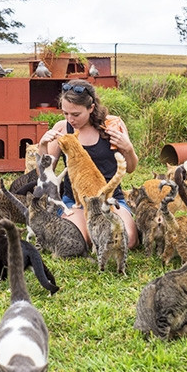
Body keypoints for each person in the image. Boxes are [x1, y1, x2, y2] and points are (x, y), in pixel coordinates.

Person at [38, 79, 139, 249]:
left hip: (110, 199)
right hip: (76, 202)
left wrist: (128, 148)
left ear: (91, 108)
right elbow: (44, 175)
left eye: (76, 114)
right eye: (65, 113)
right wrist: (42, 147)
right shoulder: (62, 129)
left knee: (127, 239)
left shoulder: (112, 126)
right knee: (78, 240)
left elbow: (130, 168)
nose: (70, 119)